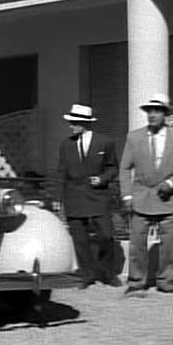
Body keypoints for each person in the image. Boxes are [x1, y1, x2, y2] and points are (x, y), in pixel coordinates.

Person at [119, 93, 173, 297]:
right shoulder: (134, 137)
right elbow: (124, 168)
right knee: (137, 243)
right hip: (140, 198)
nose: (152, 115)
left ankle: (166, 280)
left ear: (165, 114)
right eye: (149, 111)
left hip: (168, 200)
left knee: (168, 244)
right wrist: (126, 196)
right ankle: (136, 281)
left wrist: (170, 183)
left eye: (157, 110)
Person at [57, 103, 120, 289]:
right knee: (80, 238)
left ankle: (107, 272)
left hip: (98, 196)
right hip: (74, 196)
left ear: (84, 123)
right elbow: (61, 172)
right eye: (70, 122)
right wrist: (56, 198)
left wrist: (101, 179)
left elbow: (112, 167)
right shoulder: (66, 145)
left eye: (74, 122)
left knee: (106, 236)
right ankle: (86, 274)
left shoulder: (105, 142)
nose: (71, 126)